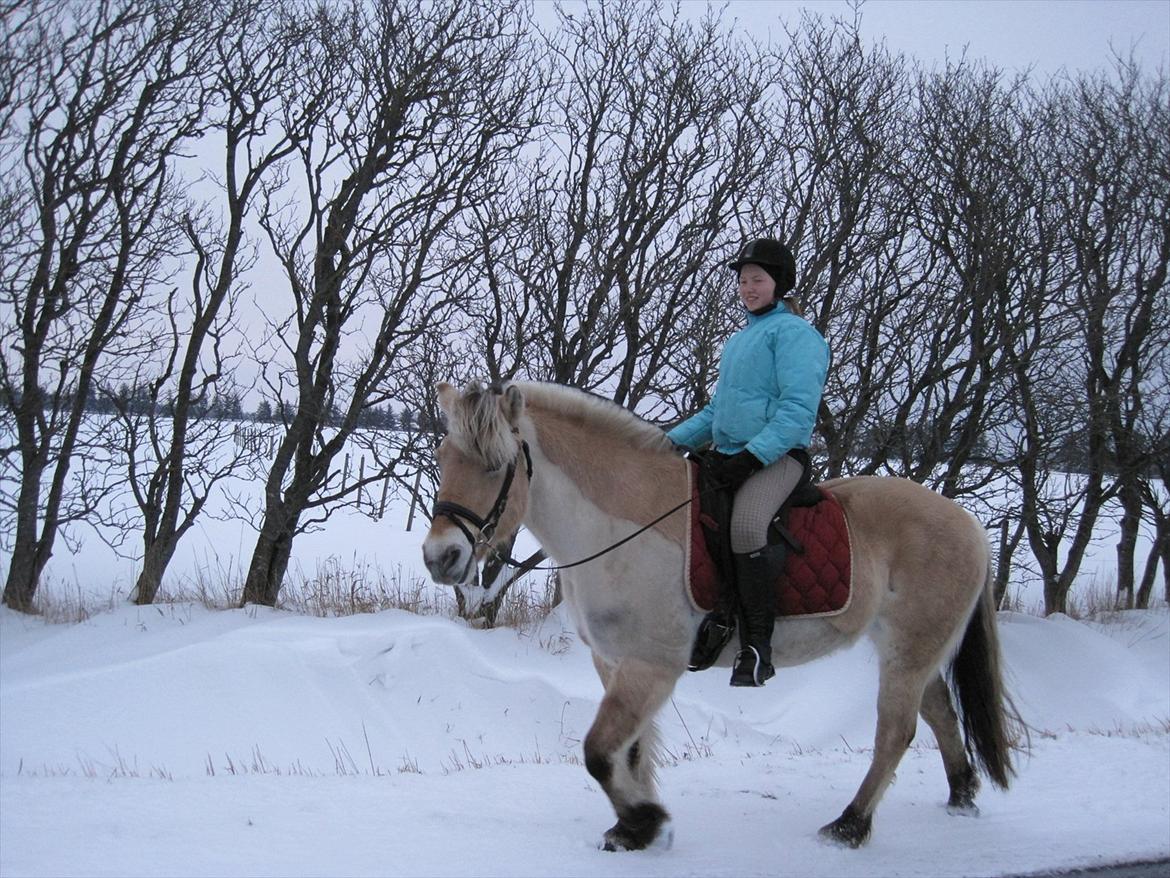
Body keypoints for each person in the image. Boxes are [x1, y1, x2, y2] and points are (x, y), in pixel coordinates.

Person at [668, 237, 829, 687]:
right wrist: (665, 442)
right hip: (728, 455)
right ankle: (718, 612)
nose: (748, 288)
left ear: (779, 284)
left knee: (746, 526)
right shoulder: (740, 341)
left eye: (757, 279)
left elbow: (798, 411)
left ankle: (757, 646)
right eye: (742, 281)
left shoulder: (796, 335)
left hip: (779, 457)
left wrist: (754, 456)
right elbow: (715, 412)